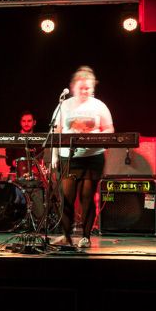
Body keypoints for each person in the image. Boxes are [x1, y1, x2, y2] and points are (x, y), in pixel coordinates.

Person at [53, 66, 114, 248]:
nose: (85, 91)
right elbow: (56, 131)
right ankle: (66, 236)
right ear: (73, 87)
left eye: (88, 88)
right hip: (68, 158)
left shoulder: (99, 106)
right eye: (81, 88)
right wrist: (55, 155)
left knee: (87, 198)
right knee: (67, 198)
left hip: (92, 157)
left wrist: (97, 138)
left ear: (93, 88)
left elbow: (109, 129)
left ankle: (85, 237)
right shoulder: (64, 105)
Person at [4, 110, 43, 178]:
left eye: (29, 121)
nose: (26, 124)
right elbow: (8, 160)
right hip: (16, 172)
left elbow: (41, 158)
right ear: (20, 122)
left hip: (34, 173)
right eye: (24, 121)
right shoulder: (13, 138)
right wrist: (19, 164)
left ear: (34, 122)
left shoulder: (39, 139)